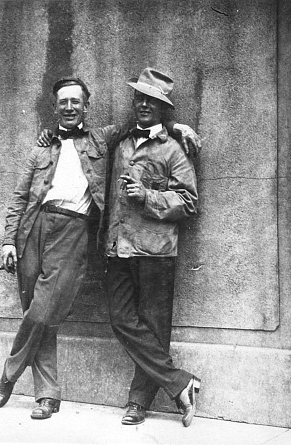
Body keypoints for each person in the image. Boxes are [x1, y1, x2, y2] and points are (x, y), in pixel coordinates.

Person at [0, 77, 131, 420]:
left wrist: (176, 126)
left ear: (87, 106)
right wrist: (9, 240)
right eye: (63, 102)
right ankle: (47, 397)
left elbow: (138, 123)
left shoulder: (101, 138)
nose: (69, 107)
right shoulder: (41, 148)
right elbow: (19, 197)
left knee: (43, 311)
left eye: (76, 101)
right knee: (38, 315)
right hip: (33, 227)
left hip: (73, 229)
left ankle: (9, 374)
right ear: (55, 107)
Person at [105, 67, 201, 427]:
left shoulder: (174, 149)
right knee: (120, 319)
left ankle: (138, 402)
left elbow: (189, 202)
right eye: (140, 98)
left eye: (154, 100)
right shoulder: (122, 143)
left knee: (154, 328)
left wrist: (148, 197)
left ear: (164, 108)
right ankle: (180, 383)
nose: (145, 104)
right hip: (118, 247)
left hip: (156, 251)